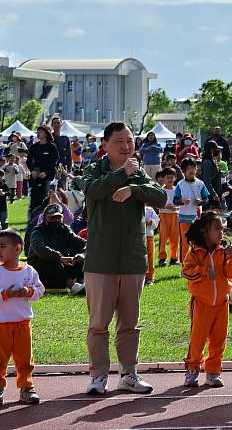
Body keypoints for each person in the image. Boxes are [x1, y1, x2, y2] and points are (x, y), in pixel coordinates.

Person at [81, 122, 167, 396]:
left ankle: (129, 374)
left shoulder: (138, 173)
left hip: (132, 260)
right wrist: (122, 177)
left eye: (129, 140)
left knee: (130, 323)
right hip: (101, 261)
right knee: (98, 324)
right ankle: (98, 376)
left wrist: (133, 188)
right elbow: (93, 191)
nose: (126, 146)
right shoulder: (94, 170)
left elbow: (161, 196)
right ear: (105, 144)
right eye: (119, 140)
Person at [0, 229, 44, 406]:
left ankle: (26, 387)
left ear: (18, 248)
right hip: (1, 325)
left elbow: (40, 290)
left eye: (3, 247)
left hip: (23, 323)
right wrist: (5, 294)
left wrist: (29, 291)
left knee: (25, 359)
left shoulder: (29, 271)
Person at [181, 212, 232, 388]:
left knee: (219, 340)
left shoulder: (224, 251)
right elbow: (186, 271)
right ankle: (192, 369)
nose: (221, 233)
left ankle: (213, 372)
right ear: (204, 232)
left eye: (222, 229)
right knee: (197, 338)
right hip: (201, 303)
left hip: (222, 303)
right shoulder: (195, 251)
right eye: (217, 229)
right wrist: (202, 270)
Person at [28, 203, 86, 294]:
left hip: (61, 271)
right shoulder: (38, 231)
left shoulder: (65, 230)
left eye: (58, 217)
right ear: (45, 218)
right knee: (49, 259)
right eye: (52, 218)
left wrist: (82, 255)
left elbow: (84, 244)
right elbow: (40, 249)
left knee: (82, 258)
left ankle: (82, 283)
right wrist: (60, 258)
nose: (55, 220)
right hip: (41, 272)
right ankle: (73, 286)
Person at [173, 159, 209, 264]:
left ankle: (197, 263)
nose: (191, 170)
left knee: (198, 241)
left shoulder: (200, 183)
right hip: (184, 217)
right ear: (183, 171)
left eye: (193, 167)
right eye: (188, 168)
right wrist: (182, 201)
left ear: (196, 169)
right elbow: (175, 201)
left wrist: (201, 202)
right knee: (185, 243)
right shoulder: (180, 184)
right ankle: (184, 267)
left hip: (197, 218)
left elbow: (206, 199)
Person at [27, 125, 59, 213]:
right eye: (37, 132)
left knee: (47, 200)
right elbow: (29, 161)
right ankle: (33, 219)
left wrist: (46, 172)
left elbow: (54, 162)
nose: (38, 133)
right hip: (36, 178)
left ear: (46, 134)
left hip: (48, 177)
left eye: (40, 132)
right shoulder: (34, 147)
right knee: (34, 200)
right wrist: (32, 170)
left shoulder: (52, 147)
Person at [156, 168, 180, 267]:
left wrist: (176, 207)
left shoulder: (177, 190)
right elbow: (157, 204)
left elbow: (180, 203)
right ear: (163, 179)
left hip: (175, 215)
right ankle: (162, 258)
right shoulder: (161, 190)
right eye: (168, 177)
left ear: (175, 178)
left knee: (175, 237)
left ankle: (174, 258)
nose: (170, 179)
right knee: (163, 237)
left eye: (172, 177)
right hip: (164, 215)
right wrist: (165, 206)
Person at [144, 205, 159, 285]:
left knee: (150, 257)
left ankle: (149, 277)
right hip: (137, 238)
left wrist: (151, 223)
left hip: (149, 236)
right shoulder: (132, 210)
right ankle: (140, 276)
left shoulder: (149, 210)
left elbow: (156, 220)